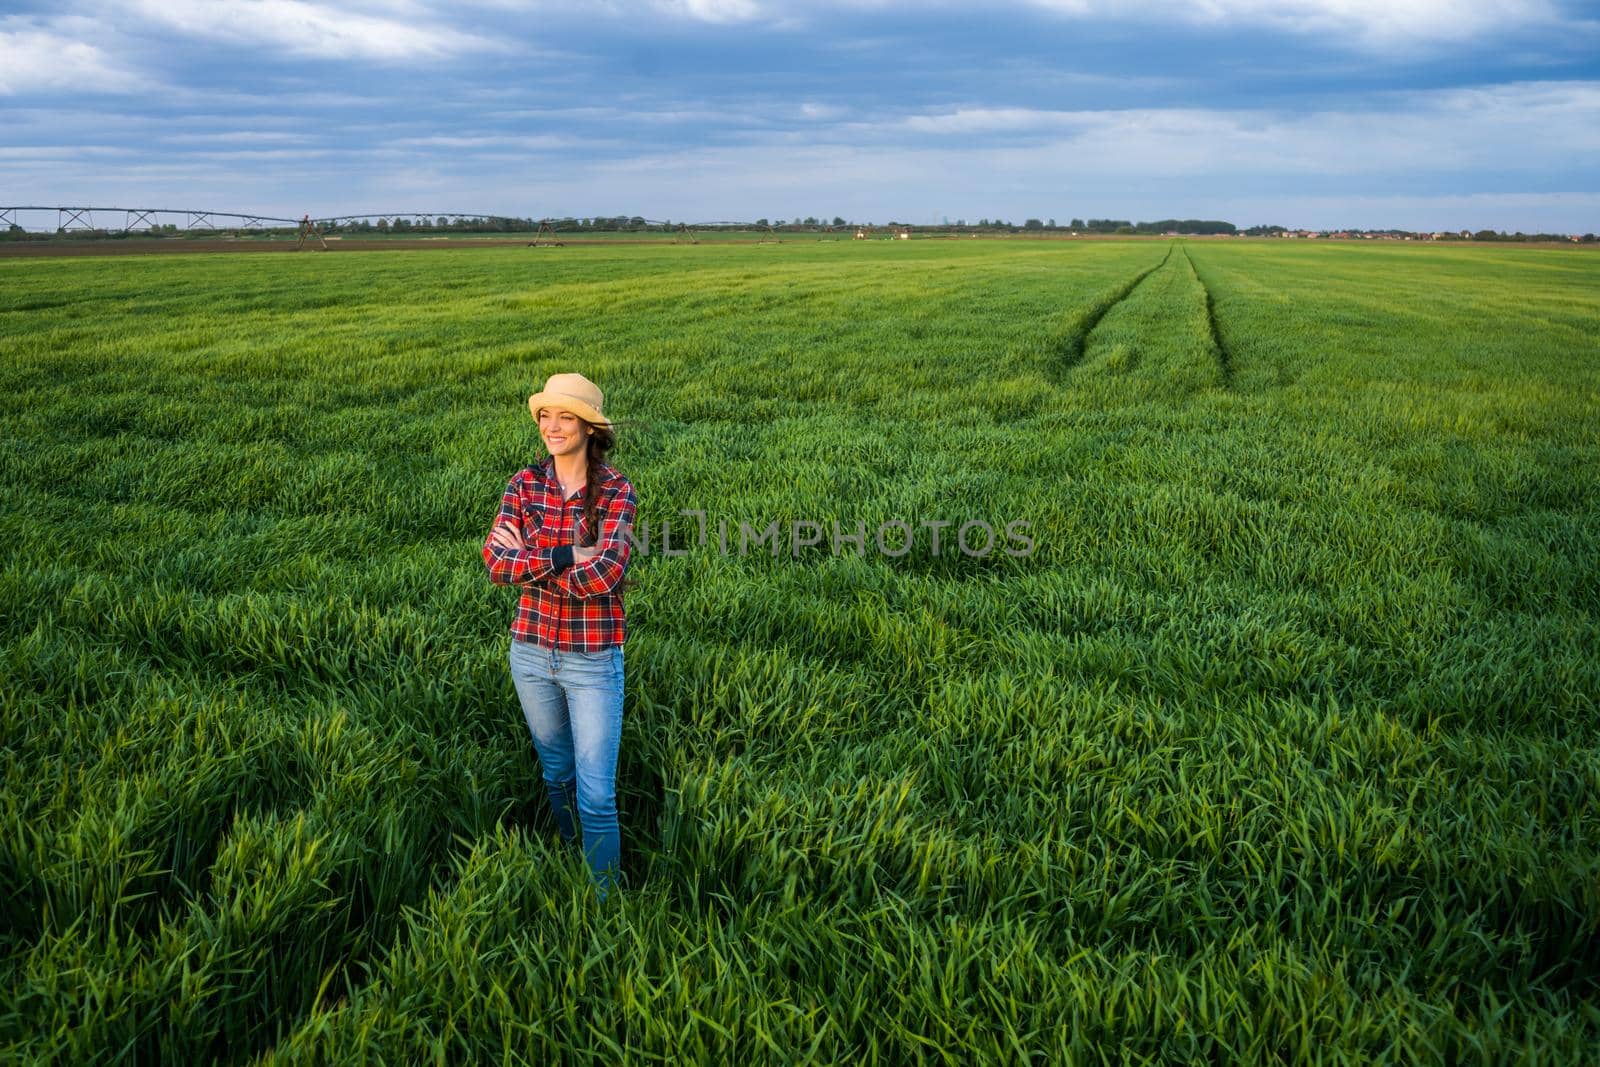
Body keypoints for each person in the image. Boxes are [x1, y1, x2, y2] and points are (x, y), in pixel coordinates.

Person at [482, 372, 636, 897]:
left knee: (596, 796)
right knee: (557, 776)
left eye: (565, 415)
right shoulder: (524, 485)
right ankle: (571, 861)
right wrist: (568, 554)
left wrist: (530, 559)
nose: (552, 425)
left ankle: (604, 898)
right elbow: (495, 562)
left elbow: (608, 572)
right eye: (545, 415)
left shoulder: (616, 490)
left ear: (590, 427)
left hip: (592, 659)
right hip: (529, 652)